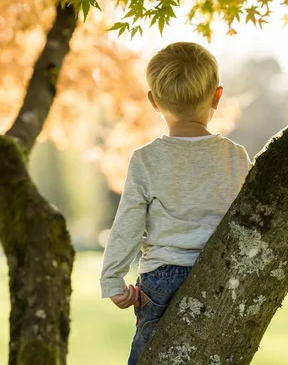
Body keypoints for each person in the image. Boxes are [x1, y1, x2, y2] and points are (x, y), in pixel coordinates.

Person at [100, 42, 251, 365]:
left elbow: (127, 223)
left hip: (160, 282)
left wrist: (112, 280)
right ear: (217, 96)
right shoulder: (235, 156)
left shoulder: (146, 160)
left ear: (154, 101)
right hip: (221, 273)